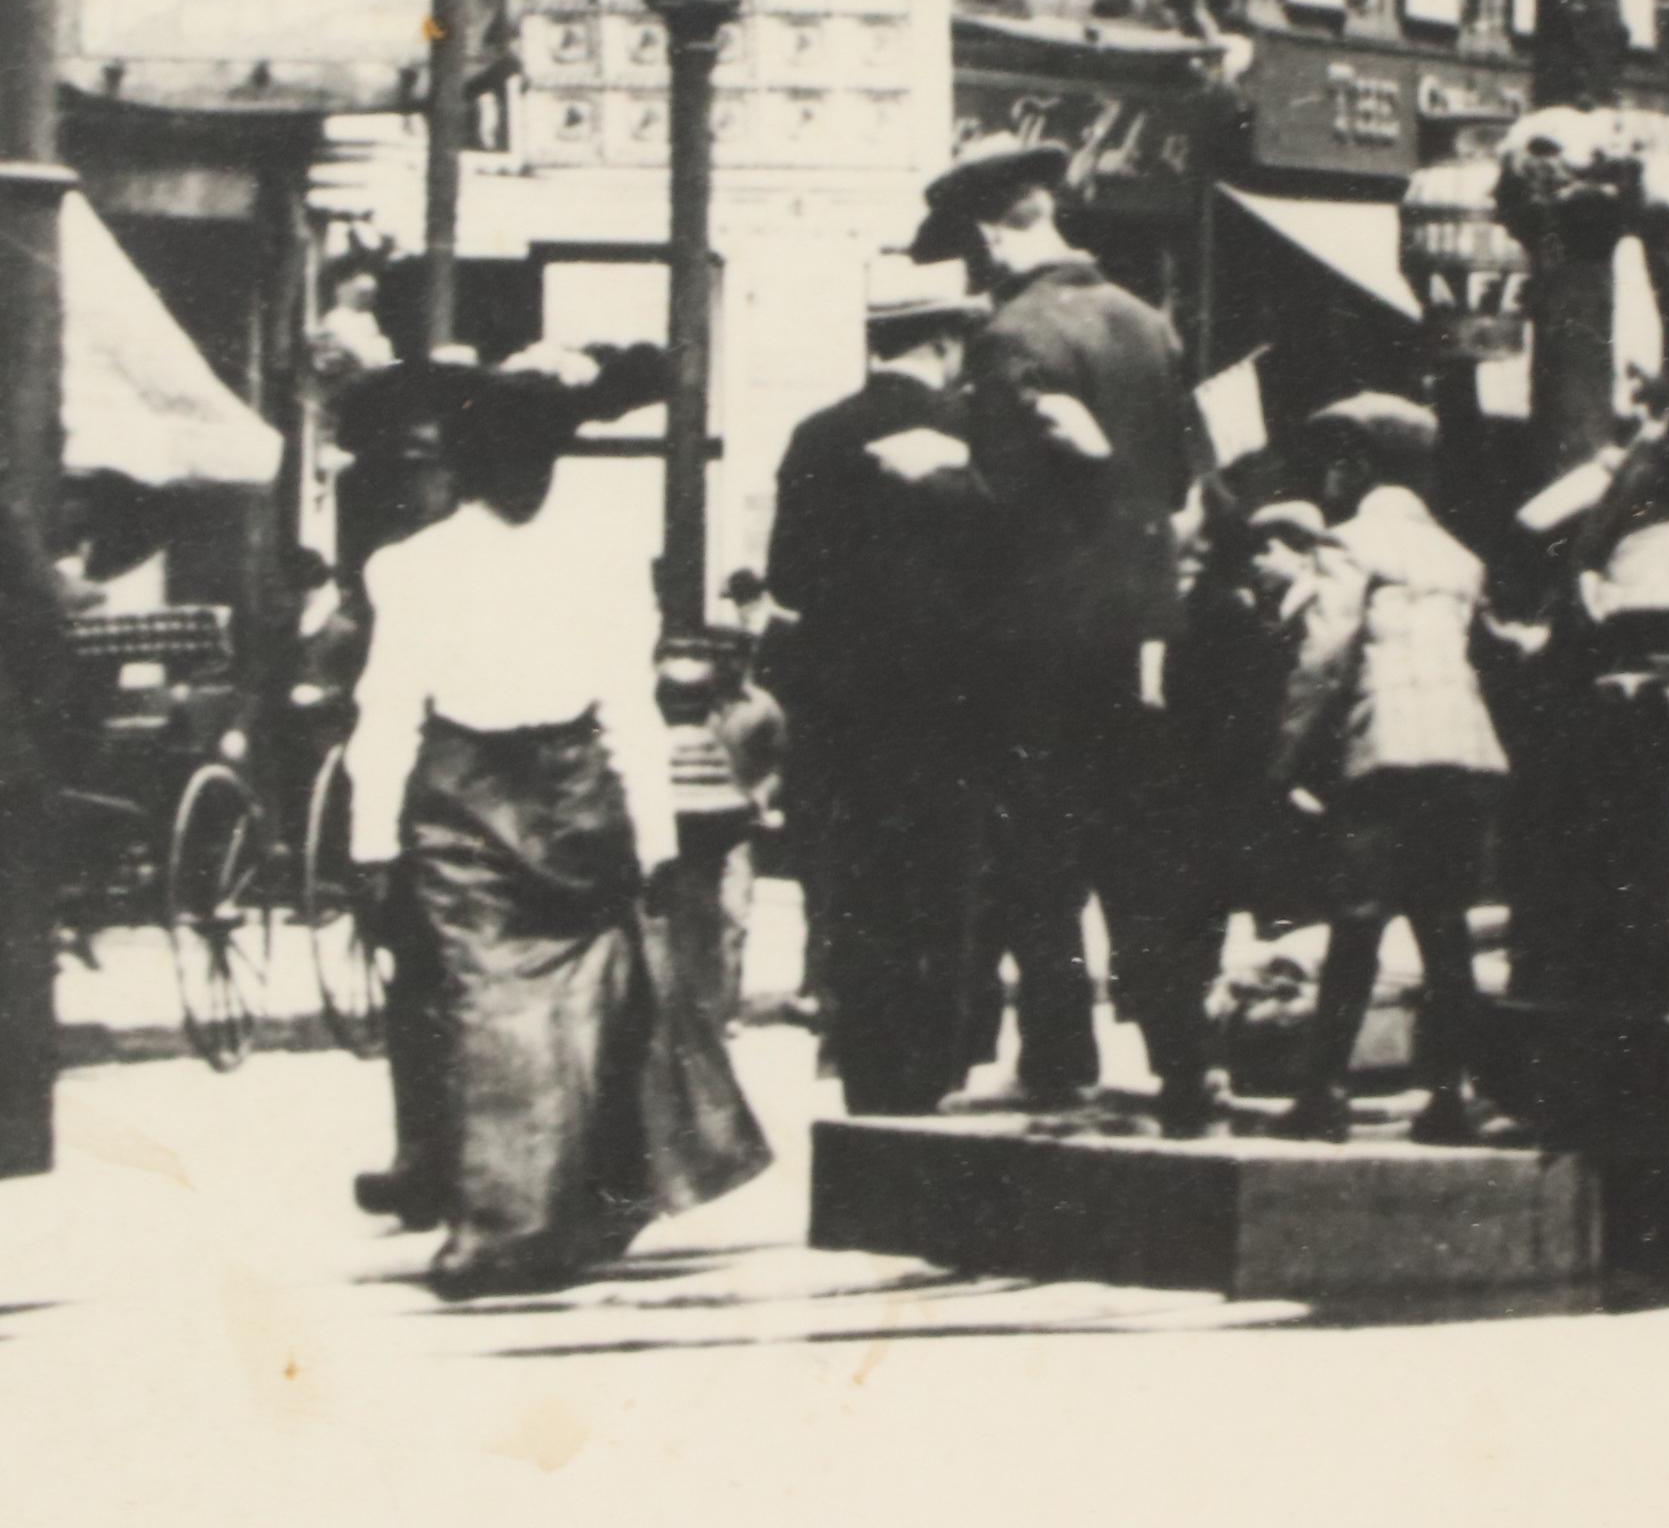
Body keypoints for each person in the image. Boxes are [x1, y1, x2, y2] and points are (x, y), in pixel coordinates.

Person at [342, 343, 770, 1298]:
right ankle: (512, 1221)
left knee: (545, 1008)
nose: (526, 471)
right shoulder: (457, 564)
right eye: (512, 453)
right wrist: (373, 844)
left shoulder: (518, 558)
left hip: (522, 793)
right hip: (512, 795)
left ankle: (541, 1215)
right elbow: (402, 708)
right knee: (528, 1006)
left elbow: (617, 699)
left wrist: (653, 836)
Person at [910, 133, 1197, 1127]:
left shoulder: (1011, 336)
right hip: (1138, 634)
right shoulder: (1149, 325)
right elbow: (1177, 485)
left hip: (1034, 639)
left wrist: (935, 471)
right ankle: (1179, 1051)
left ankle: (1060, 1053)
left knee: (1040, 853)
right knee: (1140, 850)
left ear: (993, 230)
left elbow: (1003, 499)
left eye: (966, 243)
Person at [761, 286, 993, 1115]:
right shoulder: (975, 435)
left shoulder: (818, 435)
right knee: (945, 896)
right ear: (943, 343)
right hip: (954, 711)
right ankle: (938, 1077)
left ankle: (868, 1081)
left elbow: (787, 578)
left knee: (858, 896)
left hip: (847, 716)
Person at [1272, 394, 1511, 1146]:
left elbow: (1323, 658)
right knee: (1443, 927)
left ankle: (1324, 1093)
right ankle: (1452, 1095)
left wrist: (1281, 763)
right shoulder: (1459, 557)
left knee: (1357, 920)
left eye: (1336, 462)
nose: (1327, 479)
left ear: (1361, 464)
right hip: (1464, 749)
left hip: (1385, 749)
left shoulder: (1349, 545)